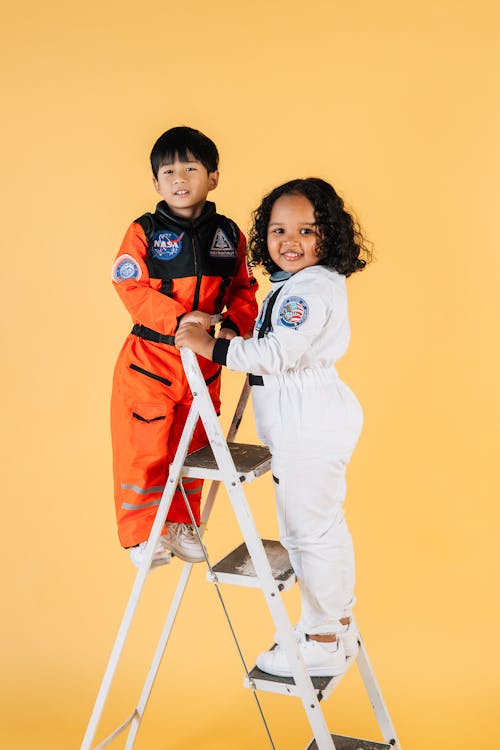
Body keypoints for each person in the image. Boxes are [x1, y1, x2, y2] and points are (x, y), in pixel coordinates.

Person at [175, 177, 371, 677]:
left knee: (308, 532)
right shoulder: (302, 283)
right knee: (322, 526)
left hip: (309, 421)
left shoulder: (309, 288)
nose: (290, 241)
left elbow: (278, 352)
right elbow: (274, 331)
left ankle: (322, 636)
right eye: (279, 230)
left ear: (329, 236)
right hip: (308, 416)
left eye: (306, 230)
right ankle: (337, 621)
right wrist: (222, 322)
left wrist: (208, 346)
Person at [111, 126, 258, 569]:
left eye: (191, 168)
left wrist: (235, 324)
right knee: (145, 448)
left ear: (212, 176)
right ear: (156, 183)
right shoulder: (144, 231)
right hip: (150, 361)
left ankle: (181, 523)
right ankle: (141, 534)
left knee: (192, 448)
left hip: (204, 361)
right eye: (169, 171)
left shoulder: (228, 234)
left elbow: (243, 288)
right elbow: (129, 285)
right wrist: (177, 320)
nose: (180, 178)